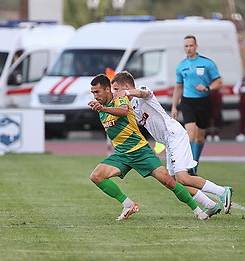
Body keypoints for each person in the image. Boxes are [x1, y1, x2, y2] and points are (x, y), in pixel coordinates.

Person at [88, 74, 209, 221]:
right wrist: (102, 108)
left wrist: (103, 109)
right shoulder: (100, 107)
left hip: (140, 151)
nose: (95, 96)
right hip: (122, 154)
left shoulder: (118, 98)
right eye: (93, 92)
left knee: (169, 182)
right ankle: (128, 204)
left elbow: (124, 111)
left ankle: (198, 211)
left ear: (108, 89)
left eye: (97, 92)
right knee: (96, 176)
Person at [111, 71, 233, 216]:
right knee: (175, 182)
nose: (116, 93)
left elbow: (144, 93)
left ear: (125, 86)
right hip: (167, 141)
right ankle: (210, 205)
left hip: (174, 135)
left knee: (183, 177)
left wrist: (125, 92)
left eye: (116, 89)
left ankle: (222, 191)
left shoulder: (141, 92)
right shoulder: (129, 105)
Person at [172, 35, 223, 175]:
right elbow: (178, 87)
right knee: (191, 134)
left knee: (200, 138)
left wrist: (207, 88)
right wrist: (174, 106)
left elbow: (219, 82)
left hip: (203, 102)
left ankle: (195, 161)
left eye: (191, 46)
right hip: (187, 102)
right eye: (186, 46)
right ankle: (190, 165)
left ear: (196, 46)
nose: (188, 48)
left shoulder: (207, 63)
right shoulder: (181, 66)